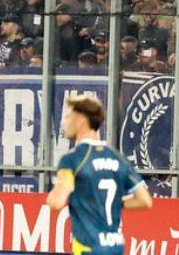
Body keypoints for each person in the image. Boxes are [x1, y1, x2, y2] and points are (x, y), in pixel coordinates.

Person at [46, 95, 152, 255]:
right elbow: (144, 200)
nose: (64, 122)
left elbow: (57, 202)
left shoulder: (73, 160)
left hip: (89, 247)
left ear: (81, 119)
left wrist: (52, 196)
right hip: (115, 246)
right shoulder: (118, 158)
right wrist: (110, 201)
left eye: (68, 116)